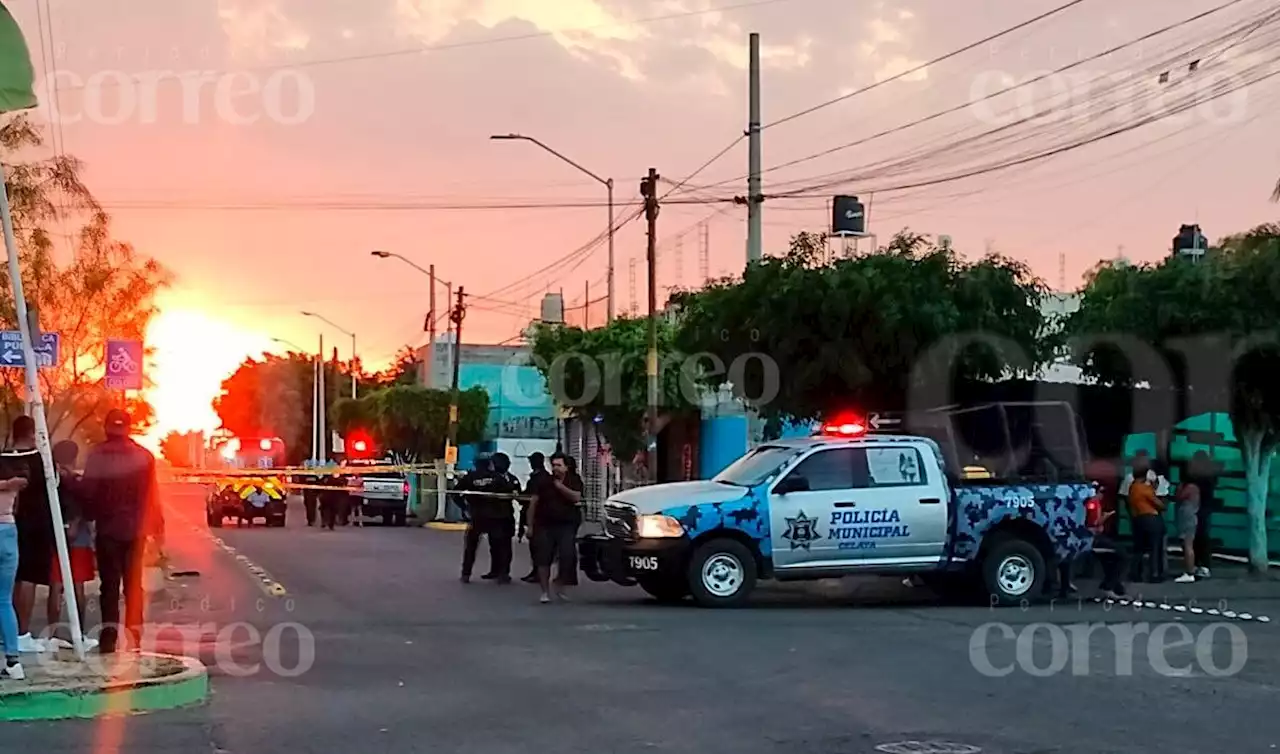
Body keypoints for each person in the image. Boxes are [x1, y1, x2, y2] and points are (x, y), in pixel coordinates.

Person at [81, 409, 164, 654]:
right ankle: (135, 638)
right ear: (129, 428)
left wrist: (87, 516)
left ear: (106, 427)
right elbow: (152, 494)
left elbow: (89, 492)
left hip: (108, 530)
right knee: (133, 584)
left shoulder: (97, 455)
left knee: (109, 586)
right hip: (136, 530)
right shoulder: (145, 456)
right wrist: (158, 528)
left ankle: (109, 640)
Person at [5, 416, 53, 654]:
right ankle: (22, 633)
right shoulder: (39, 460)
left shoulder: (4, 457)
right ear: (32, 432)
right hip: (34, 525)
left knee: (10, 579)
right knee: (28, 578)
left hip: (7, 523)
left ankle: (9, 632)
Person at [48, 440, 99, 650]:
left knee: (56, 585)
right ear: (75, 456)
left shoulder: (51, 481)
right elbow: (88, 508)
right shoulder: (79, 481)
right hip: (78, 538)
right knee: (77, 586)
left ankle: (51, 636)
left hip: (54, 535)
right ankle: (78, 635)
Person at [527, 452, 584, 604]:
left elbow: (576, 497)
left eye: (559, 465)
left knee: (568, 555)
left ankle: (560, 582)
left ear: (566, 467)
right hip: (544, 525)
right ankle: (544, 591)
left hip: (566, 525)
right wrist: (530, 526)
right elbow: (533, 502)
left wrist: (560, 487)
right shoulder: (543, 481)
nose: (555, 468)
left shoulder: (574, 480)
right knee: (543, 558)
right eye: (553, 465)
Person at [458, 455, 515, 584]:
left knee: (471, 546)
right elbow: (509, 492)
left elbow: (455, 493)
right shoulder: (496, 477)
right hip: (495, 517)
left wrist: (464, 507)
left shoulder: (470, 477)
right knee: (500, 546)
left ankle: (466, 573)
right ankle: (502, 574)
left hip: (477, 516)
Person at [0, 456, 29, 679]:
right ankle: (13, 660)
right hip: (8, 531)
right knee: (4, 601)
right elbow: (22, 480)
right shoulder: (14, 483)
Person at [1126, 452, 1167, 583]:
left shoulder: (1132, 487)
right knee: (1155, 548)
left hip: (1138, 519)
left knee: (1138, 548)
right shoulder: (1144, 489)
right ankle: (1154, 574)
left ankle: (1135, 573)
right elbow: (1159, 504)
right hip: (1151, 519)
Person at [519, 452, 550, 583]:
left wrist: (519, 496)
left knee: (536, 547)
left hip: (537, 515)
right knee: (536, 547)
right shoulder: (545, 476)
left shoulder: (538, 478)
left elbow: (529, 497)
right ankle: (536, 571)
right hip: (540, 515)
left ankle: (537, 572)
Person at [1188, 451, 1217, 579]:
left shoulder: (1200, 477)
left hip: (1201, 507)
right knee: (1200, 536)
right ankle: (1202, 564)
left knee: (1200, 536)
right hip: (1204, 507)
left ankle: (1202, 564)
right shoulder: (1209, 476)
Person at [1174, 461, 1202, 584]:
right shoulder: (1194, 487)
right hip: (1187, 518)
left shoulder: (1190, 487)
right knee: (1186, 545)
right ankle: (1191, 568)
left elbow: (1179, 496)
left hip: (1188, 518)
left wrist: (1179, 487)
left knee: (1187, 545)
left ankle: (1189, 572)